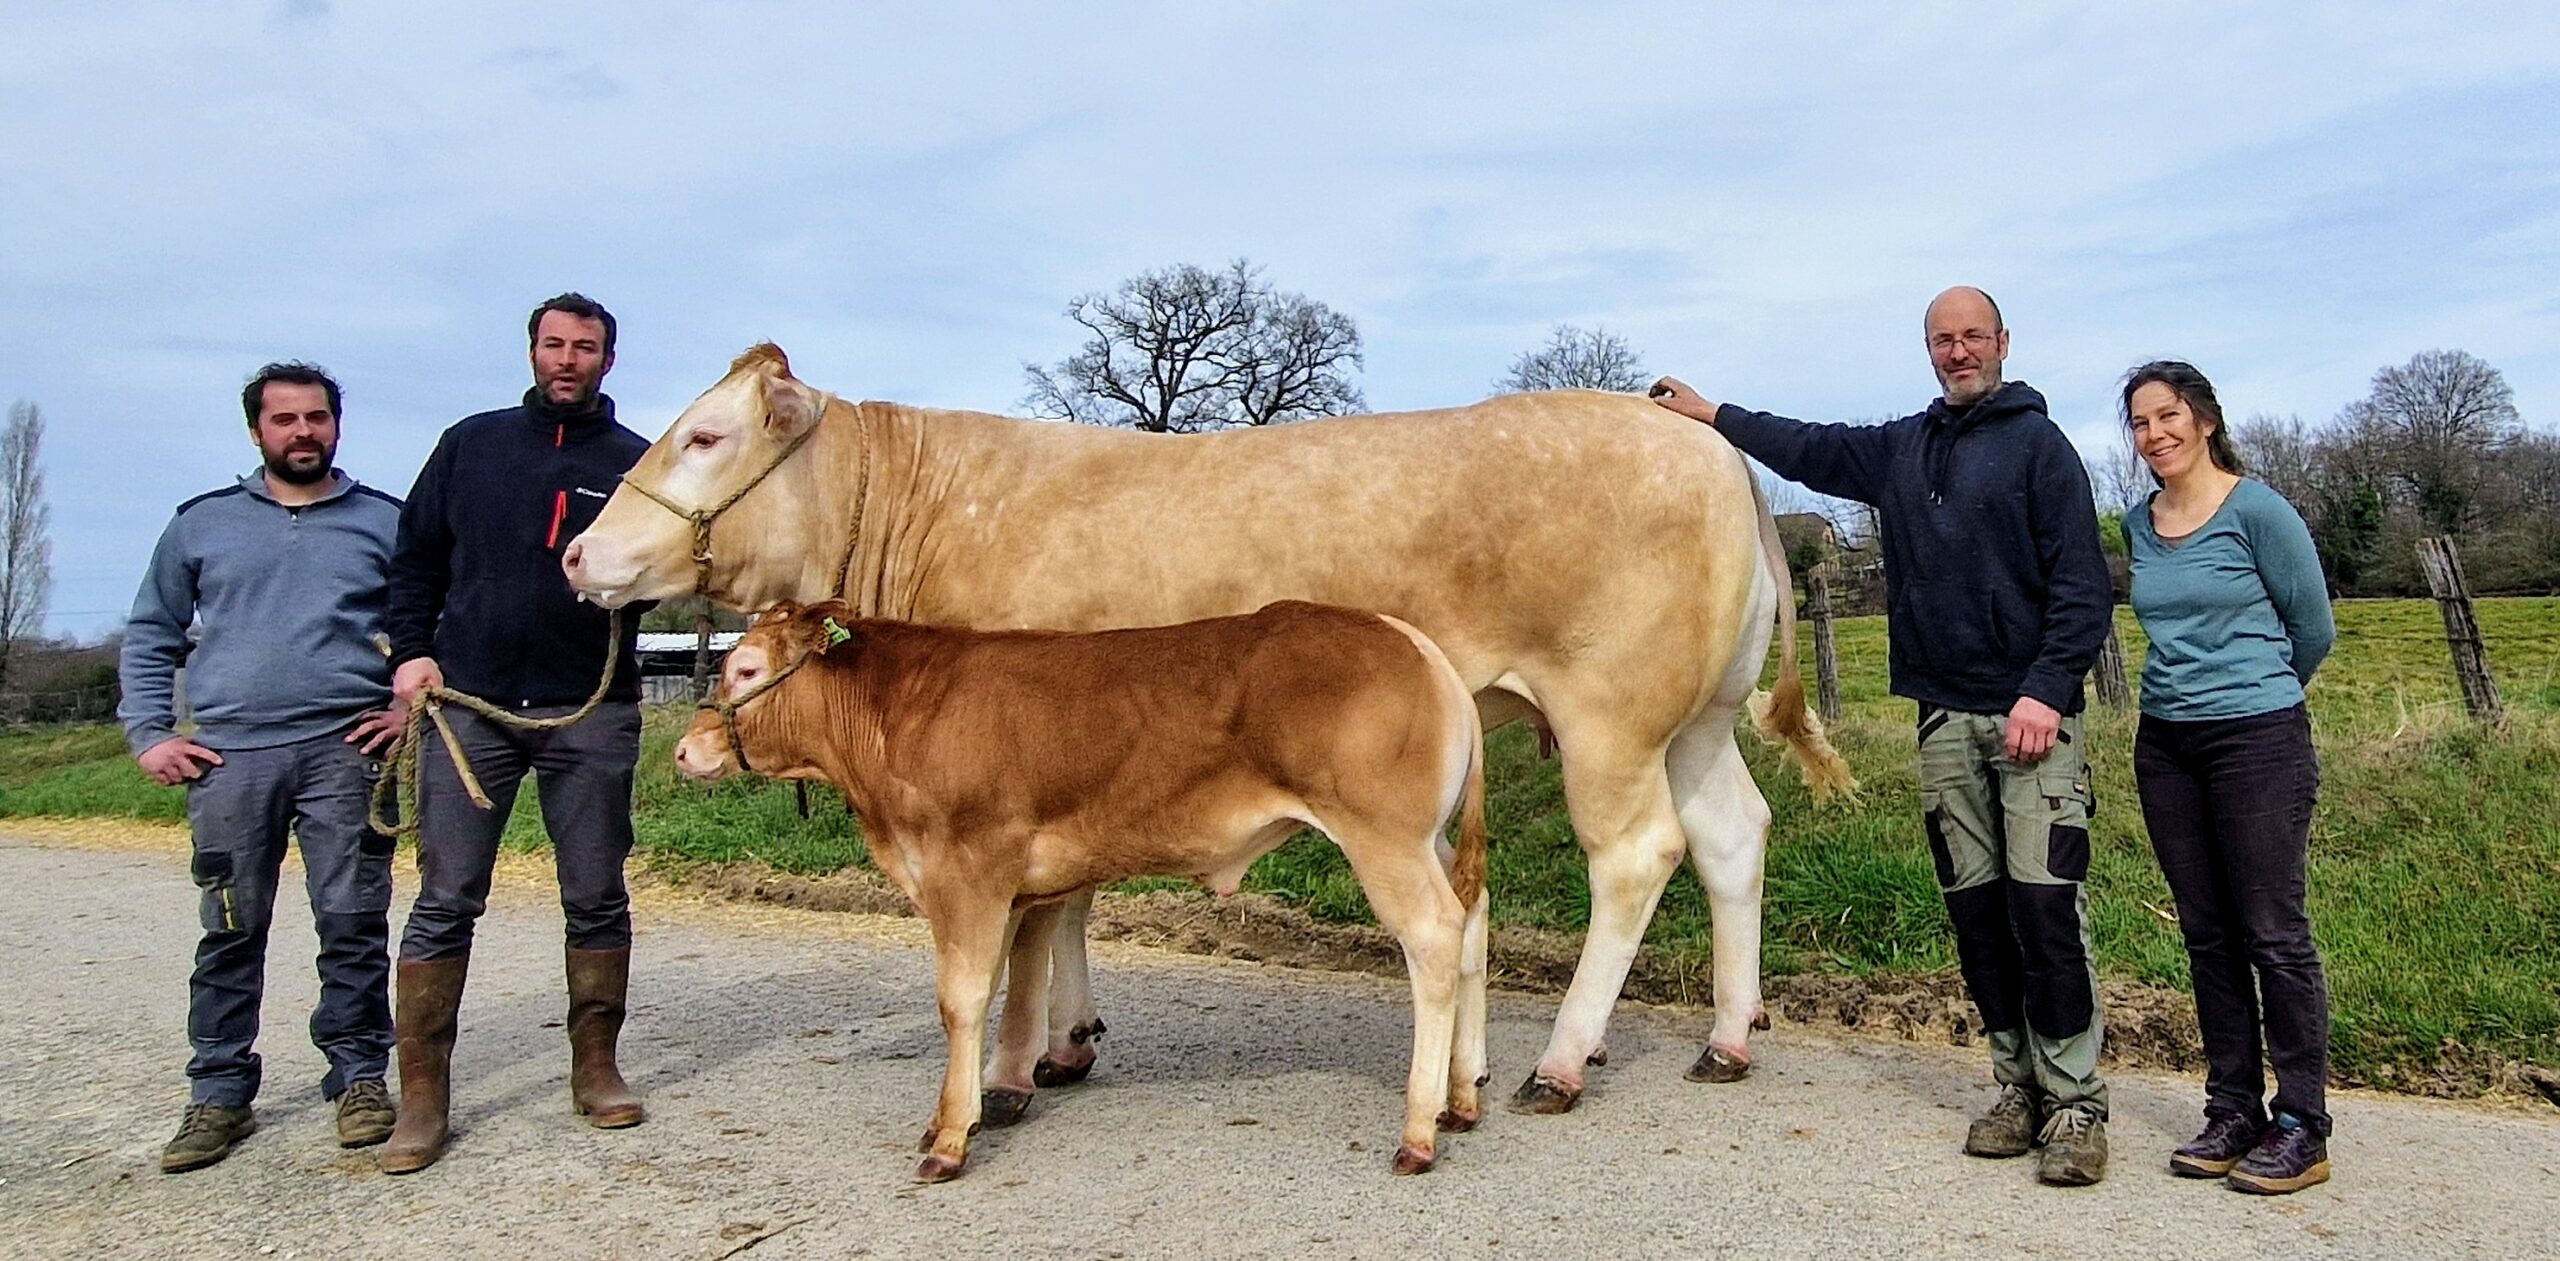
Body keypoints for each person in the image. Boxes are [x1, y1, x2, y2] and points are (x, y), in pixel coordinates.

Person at [1650, 287, 2116, 1186]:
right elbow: (1810, 446)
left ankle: (2075, 1102)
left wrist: (2046, 692)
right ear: (1928, 350)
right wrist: (1713, 414)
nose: (1958, 351)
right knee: (1977, 913)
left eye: (1972, 336)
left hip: (2033, 722)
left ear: (2003, 342)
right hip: (1944, 718)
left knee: (2046, 909)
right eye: (1942, 340)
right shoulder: (1906, 448)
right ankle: (2015, 1087)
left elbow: (2082, 587)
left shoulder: (2041, 448)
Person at [376, 293, 652, 1173]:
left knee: (596, 892)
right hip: (469, 706)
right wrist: (412, 653)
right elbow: (415, 560)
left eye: (585, 347)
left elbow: (662, 571)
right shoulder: (471, 444)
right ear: (532, 351)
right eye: (554, 344)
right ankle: (424, 1096)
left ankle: (596, 1066)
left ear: (608, 360)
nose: (568, 359)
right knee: (446, 896)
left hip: (590, 708)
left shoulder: (637, 463)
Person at [119, 362, 409, 1172]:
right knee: (230, 927)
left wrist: (407, 707)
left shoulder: (384, 521)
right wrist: (149, 733)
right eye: (285, 419)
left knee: (351, 921)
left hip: (347, 753)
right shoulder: (201, 523)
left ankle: (358, 1076)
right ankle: (218, 1092)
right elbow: (152, 631)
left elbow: (431, 623)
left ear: (336, 424)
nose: (303, 432)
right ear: (257, 430)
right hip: (230, 757)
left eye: (317, 417)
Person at [2119, 360, 2336, 1195]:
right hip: (2166, 744)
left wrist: (2257, 695)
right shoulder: (2139, 524)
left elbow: (2312, 627)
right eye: (2141, 423)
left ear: (2204, 420)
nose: (2155, 434)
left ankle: (2303, 1124)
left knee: (2273, 932)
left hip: (2258, 740)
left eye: (2168, 415)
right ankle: (2233, 1108)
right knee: (2206, 933)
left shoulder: (2258, 510)